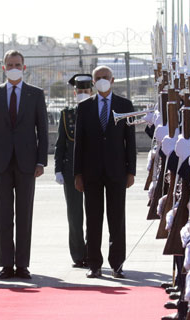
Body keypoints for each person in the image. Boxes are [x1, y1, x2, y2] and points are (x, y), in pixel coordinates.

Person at [0, 50, 48, 279]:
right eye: (9, 64)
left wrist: (41, 160)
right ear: (3, 67)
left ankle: (22, 265)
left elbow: (42, 130)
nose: (13, 67)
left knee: (24, 215)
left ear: (24, 67)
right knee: (3, 215)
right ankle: (6, 265)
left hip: (27, 163)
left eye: (17, 64)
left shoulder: (35, 94)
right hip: (0, 164)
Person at [73, 66, 136, 278]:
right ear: (93, 81)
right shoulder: (84, 107)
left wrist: (131, 171)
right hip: (91, 173)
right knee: (93, 218)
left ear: (113, 79)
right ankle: (94, 264)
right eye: (98, 78)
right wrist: (77, 173)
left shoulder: (124, 105)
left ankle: (117, 264)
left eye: (105, 77)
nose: (102, 81)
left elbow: (131, 142)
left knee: (117, 218)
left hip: (117, 171)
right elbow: (78, 144)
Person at [55, 73, 91, 269]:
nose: (83, 93)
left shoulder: (97, 111)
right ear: (74, 92)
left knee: (93, 214)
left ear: (92, 91)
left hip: (93, 170)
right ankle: (78, 255)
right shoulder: (66, 114)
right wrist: (57, 169)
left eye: (86, 91)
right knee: (75, 215)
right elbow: (60, 144)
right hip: (70, 171)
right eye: (80, 91)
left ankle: (92, 252)